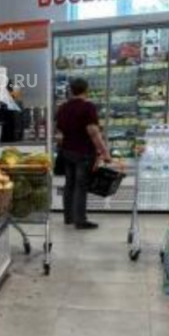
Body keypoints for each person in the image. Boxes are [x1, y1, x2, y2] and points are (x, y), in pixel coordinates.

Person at [55, 77, 111, 229]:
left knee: (69, 184)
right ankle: (80, 220)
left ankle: (68, 217)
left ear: (71, 90)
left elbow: (59, 134)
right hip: (83, 152)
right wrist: (105, 152)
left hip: (67, 152)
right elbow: (93, 132)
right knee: (81, 186)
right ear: (86, 90)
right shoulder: (88, 107)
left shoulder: (63, 108)